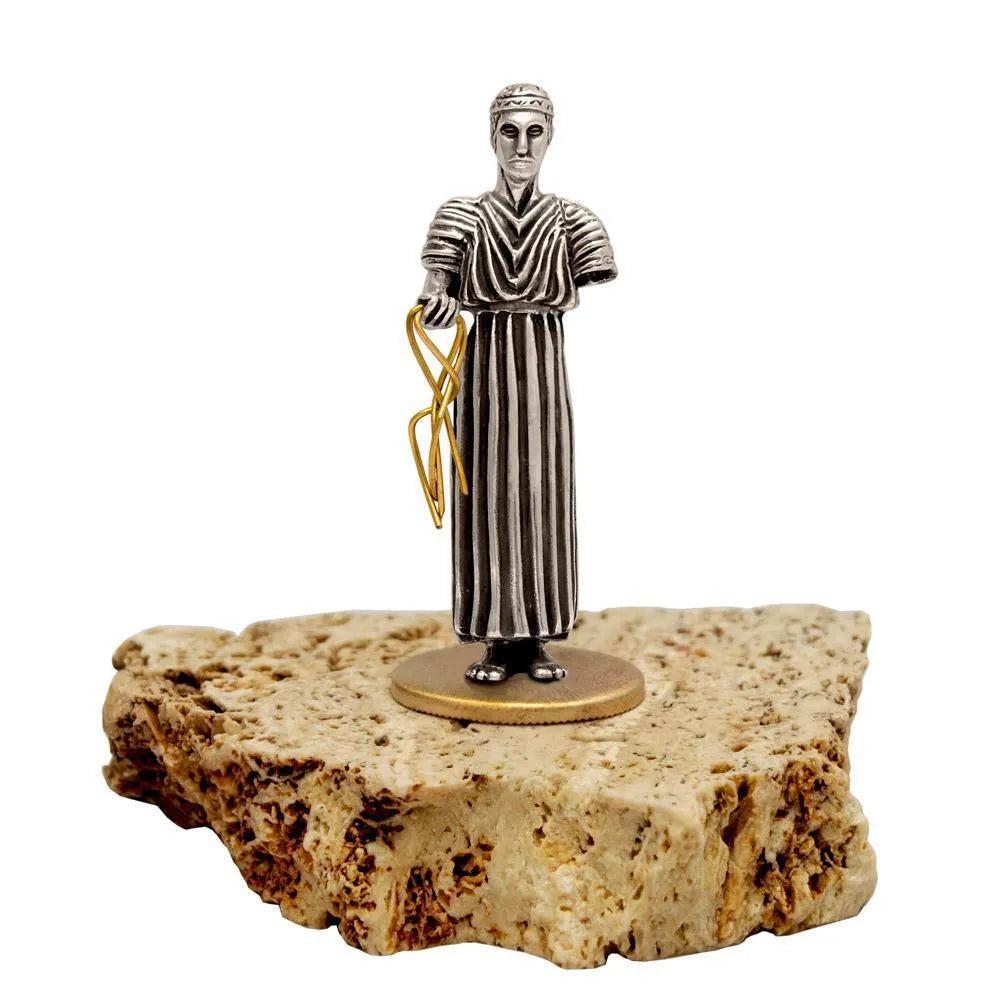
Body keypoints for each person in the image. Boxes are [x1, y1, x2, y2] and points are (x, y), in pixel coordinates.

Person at [418, 83, 617, 683]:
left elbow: (596, 269)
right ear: (492, 138)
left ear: (550, 138)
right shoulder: (461, 216)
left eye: (535, 132)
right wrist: (439, 307)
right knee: (486, 494)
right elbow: (433, 294)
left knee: (542, 491)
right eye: (510, 132)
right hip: (482, 373)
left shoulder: (574, 221)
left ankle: (536, 639)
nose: (522, 146)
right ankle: (495, 640)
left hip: (543, 371)